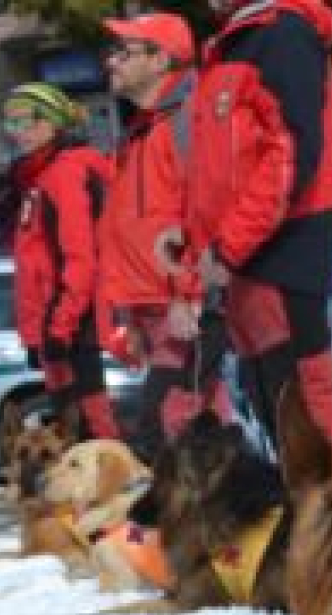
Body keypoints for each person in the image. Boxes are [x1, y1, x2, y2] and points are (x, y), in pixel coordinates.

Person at [171, 0, 332, 446]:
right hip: (244, 258)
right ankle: (301, 510)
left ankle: (329, 514)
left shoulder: (282, 35)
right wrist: (202, 250)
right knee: (274, 408)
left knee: (301, 410)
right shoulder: (233, 45)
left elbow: (290, 154)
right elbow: (217, 177)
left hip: (280, 248)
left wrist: (227, 246)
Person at [97, 12, 230, 459]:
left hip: (184, 305)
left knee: (170, 428)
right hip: (153, 307)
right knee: (194, 426)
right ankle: (217, 522)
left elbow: (202, 215)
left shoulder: (187, 121)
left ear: (160, 60)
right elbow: (132, 229)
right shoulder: (139, 131)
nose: (110, 61)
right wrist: (132, 318)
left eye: (123, 51)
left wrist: (190, 294)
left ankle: (217, 521)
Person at [4, 82, 122, 440]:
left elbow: (79, 258)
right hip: (55, 323)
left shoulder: (65, 172)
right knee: (75, 430)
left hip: (73, 324)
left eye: (27, 122)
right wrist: (34, 335)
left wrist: (59, 327)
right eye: (12, 124)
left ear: (53, 124)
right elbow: (35, 265)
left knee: (91, 429)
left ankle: (115, 494)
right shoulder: (39, 177)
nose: (18, 133)